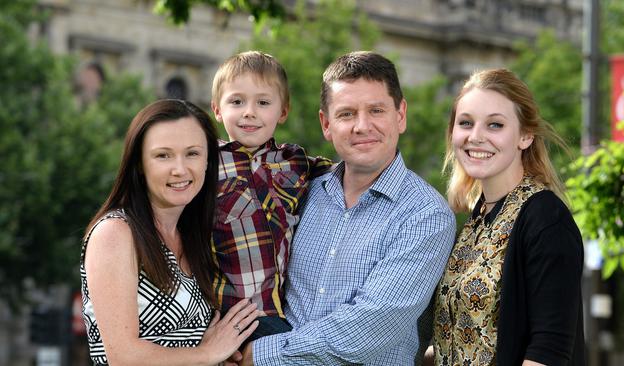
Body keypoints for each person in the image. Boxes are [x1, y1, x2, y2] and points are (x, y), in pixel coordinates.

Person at [239, 51, 456, 365]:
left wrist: (258, 355)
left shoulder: (425, 215)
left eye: (376, 110)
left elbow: (368, 328)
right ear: (326, 124)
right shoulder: (301, 193)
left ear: (401, 115)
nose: (362, 126)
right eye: (346, 114)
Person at [81, 99, 260, 365]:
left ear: (208, 161)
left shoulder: (194, 237)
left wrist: (219, 354)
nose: (180, 169)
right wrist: (207, 353)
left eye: (192, 153)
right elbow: (122, 356)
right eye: (163, 155)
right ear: (140, 164)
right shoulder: (116, 233)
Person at [426, 68, 585, 365]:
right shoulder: (477, 219)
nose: (476, 137)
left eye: (495, 125)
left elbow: (548, 351)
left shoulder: (546, 218)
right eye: (465, 123)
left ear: (525, 135)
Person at [209, 51, 332, 341]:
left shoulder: (296, 162)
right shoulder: (205, 162)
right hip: (229, 313)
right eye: (236, 101)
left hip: (281, 311)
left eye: (263, 103)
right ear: (217, 109)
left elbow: (349, 173)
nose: (249, 111)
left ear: (283, 111)